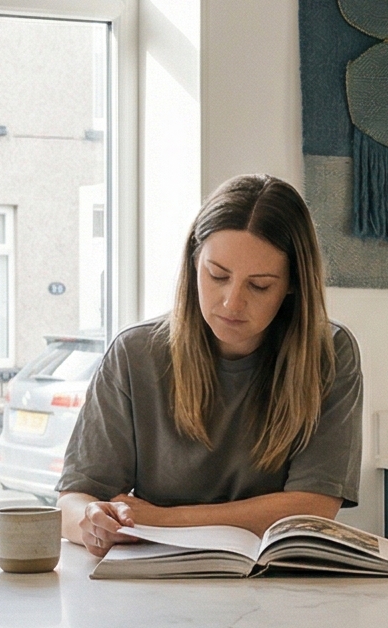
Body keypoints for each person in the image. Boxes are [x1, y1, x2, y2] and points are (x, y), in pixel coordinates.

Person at [59, 174, 363, 556]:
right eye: (217, 275)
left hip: (276, 581)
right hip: (154, 576)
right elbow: (73, 502)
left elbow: (313, 509)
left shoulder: (330, 352)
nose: (232, 303)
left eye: (259, 285)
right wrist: (92, 521)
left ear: (293, 284)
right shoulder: (134, 354)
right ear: (193, 263)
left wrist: (159, 519)